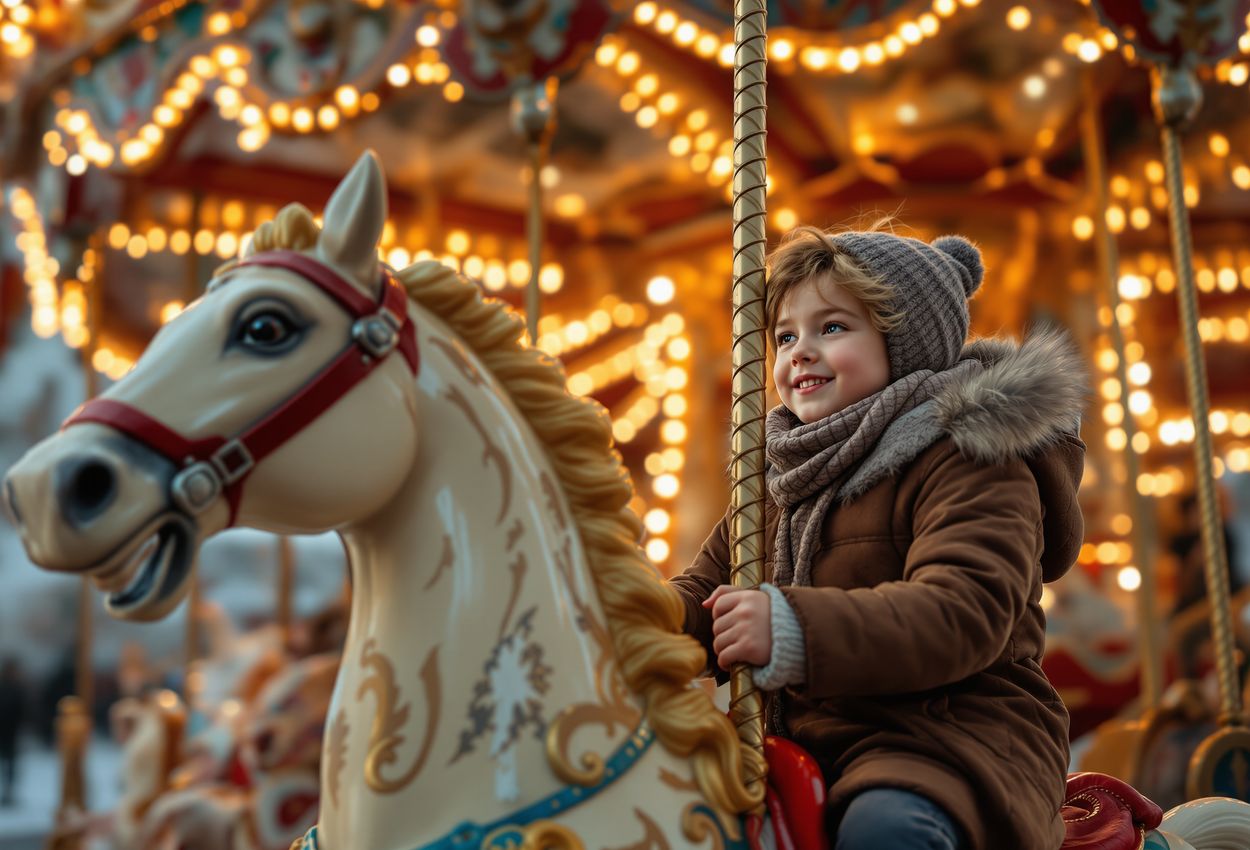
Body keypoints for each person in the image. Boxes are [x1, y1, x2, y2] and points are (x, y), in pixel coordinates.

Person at [670, 224, 1087, 850]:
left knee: (884, 831)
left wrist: (789, 628)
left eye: (832, 328)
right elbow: (706, 594)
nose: (799, 352)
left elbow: (965, 610)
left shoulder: (970, 457)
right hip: (806, 741)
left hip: (947, 741)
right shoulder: (780, 478)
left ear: (905, 340)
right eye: (785, 336)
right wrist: (627, 612)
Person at [0, 658, 26, 806]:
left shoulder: (15, 688)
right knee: (10, 764)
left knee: (10, 764)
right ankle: (8, 792)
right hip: (8, 731)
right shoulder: (13, 687)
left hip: (11, 731)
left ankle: (8, 792)